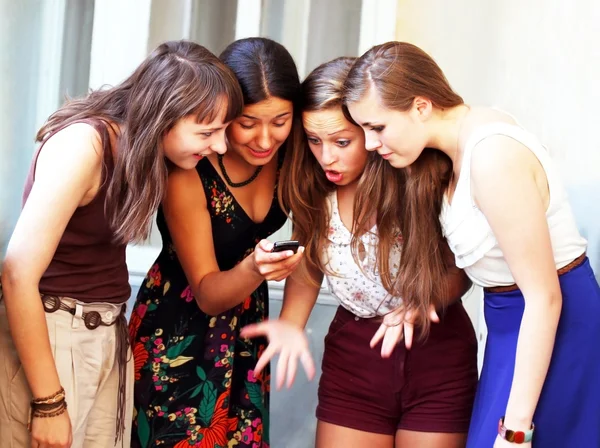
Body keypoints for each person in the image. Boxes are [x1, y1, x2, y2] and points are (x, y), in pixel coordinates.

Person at [343, 41, 600, 447]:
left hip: (553, 325)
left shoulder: (491, 155)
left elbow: (545, 297)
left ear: (421, 106)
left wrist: (516, 433)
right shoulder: (451, 148)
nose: (370, 143)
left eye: (377, 127)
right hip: (510, 328)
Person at [0, 41, 242, 448]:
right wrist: (48, 403)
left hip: (106, 335)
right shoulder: (85, 145)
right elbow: (17, 273)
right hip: (54, 337)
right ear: (162, 117)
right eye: (208, 132)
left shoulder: (144, 152)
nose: (219, 146)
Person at [241, 57, 478, 448]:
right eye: (314, 141)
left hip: (437, 352)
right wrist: (290, 323)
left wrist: (424, 301)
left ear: (371, 131)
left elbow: (460, 267)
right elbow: (309, 268)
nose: (326, 157)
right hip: (354, 361)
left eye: (342, 142)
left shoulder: (418, 178)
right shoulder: (316, 193)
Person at [129, 37, 304, 448]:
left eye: (279, 121)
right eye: (247, 123)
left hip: (246, 332)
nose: (264, 139)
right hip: (178, 331)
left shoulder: (295, 155)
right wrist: (254, 268)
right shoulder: (189, 167)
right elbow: (207, 293)